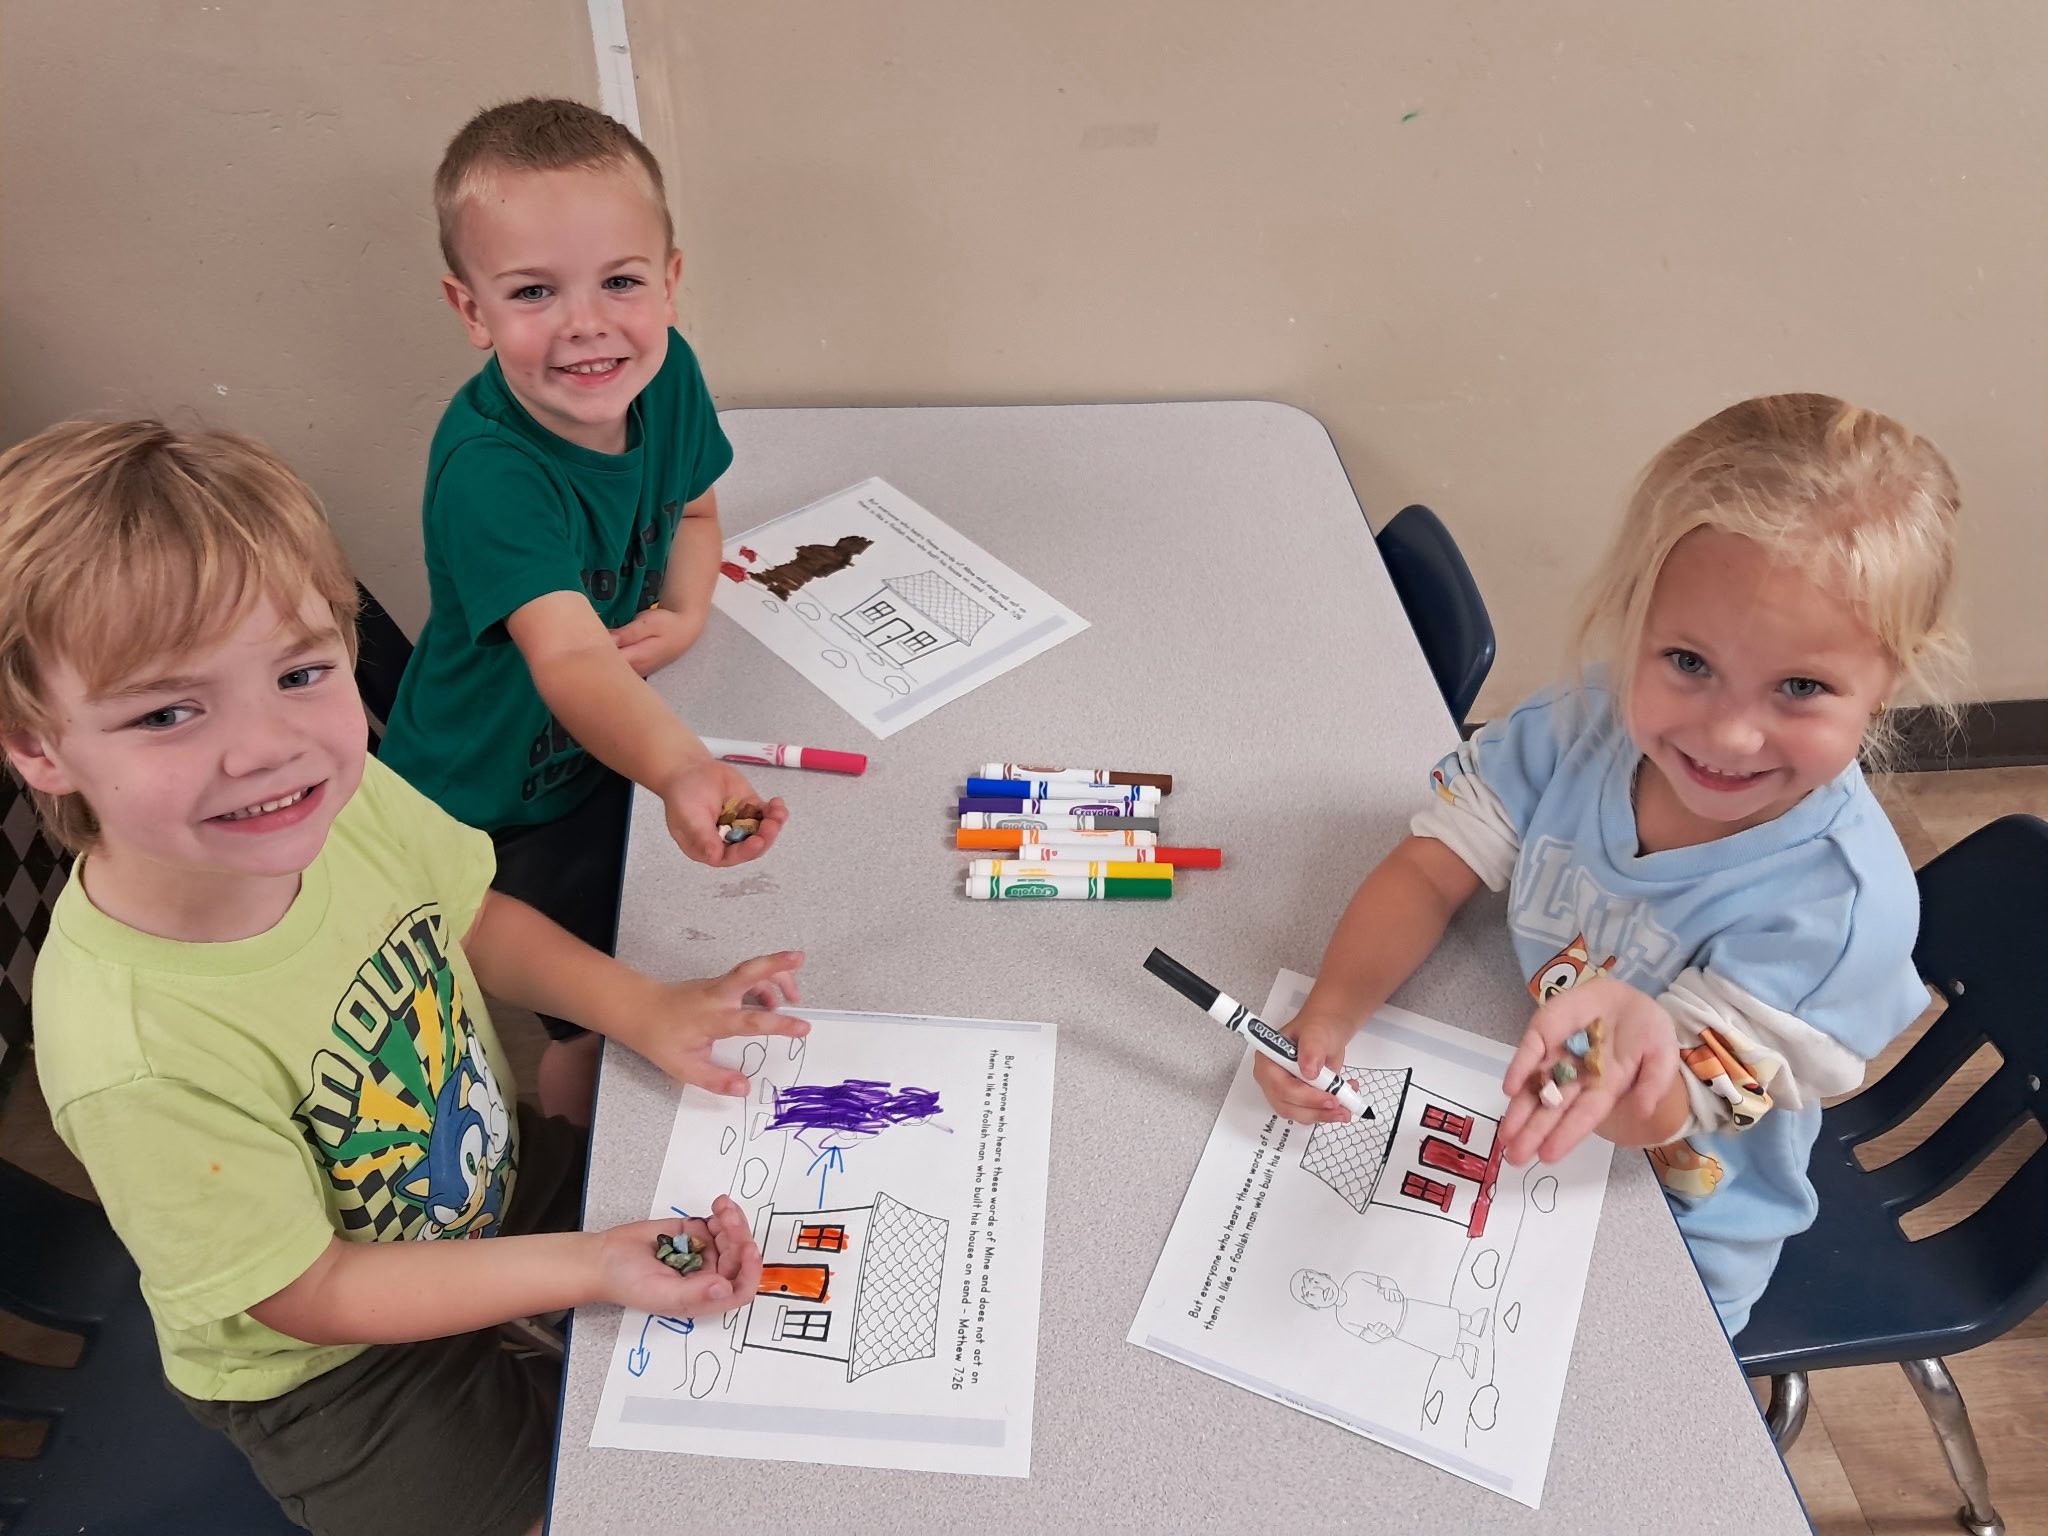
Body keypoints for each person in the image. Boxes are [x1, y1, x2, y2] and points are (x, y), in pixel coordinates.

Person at [0, 419, 805, 1536]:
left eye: (300, 673)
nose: (267, 746)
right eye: (168, 711)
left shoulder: (329, 797)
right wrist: (587, 1268)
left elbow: (467, 914)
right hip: (329, 1365)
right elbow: (311, 1291)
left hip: (482, 1185)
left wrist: (644, 1008)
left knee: (761, 1286)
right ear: (37, 745)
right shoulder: (133, 1052)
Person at [1258, 395, 1963, 1337]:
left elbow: (1661, 1113)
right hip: (1504, 1121)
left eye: (1801, 687)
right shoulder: (1579, 724)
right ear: (1633, 620)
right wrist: (1330, 1013)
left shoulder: (1839, 913)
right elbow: (1430, 869)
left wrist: (1630, 1058)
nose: (1728, 734)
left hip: (1677, 1229)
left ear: (1891, 681)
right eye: (1687, 661)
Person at [377, 97, 780, 1116]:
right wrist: (679, 766)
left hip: (595, 757)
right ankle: (566, 1124)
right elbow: (568, 660)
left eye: (620, 282)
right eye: (533, 292)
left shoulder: (665, 377)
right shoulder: (491, 471)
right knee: (582, 1022)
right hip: (488, 804)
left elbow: (694, 511)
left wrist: (686, 613)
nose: (587, 324)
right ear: (471, 310)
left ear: (670, 283)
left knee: (638, 947)